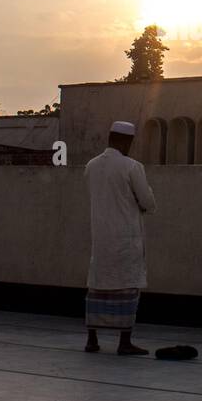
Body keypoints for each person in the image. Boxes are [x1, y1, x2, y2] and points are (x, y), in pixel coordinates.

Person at [83, 120, 156, 356]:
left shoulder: (92, 166)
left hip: (101, 238)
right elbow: (147, 202)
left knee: (98, 287)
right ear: (127, 141)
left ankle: (92, 339)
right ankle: (124, 342)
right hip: (126, 237)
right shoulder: (132, 167)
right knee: (127, 288)